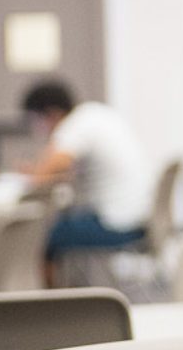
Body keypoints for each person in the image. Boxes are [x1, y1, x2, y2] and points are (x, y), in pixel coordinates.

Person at [20, 80, 154, 256]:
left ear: (51, 114)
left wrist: (35, 171)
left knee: (39, 236)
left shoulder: (75, 125)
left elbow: (44, 173)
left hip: (117, 223)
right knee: (62, 224)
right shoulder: (95, 114)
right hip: (140, 218)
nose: (38, 128)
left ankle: (48, 285)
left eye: (37, 120)